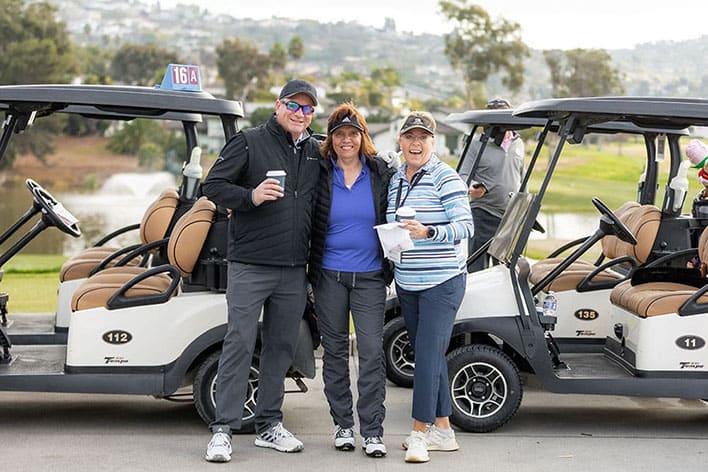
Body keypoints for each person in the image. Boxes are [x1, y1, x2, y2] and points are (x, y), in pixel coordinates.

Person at [201, 79, 322, 463]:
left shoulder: (316, 151)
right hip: (250, 265)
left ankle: (269, 425)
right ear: (277, 105)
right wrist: (250, 197)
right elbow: (213, 186)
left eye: (307, 109)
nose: (299, 114)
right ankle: (223, 430)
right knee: (239, 342)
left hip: (292, 270)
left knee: (280, 349)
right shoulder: (249, 141)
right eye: (293, 105)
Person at [308, 102, 396, 458]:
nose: (347, 140)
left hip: (371, 277)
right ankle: (343, 425)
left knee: (372, 353)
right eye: (340, 134)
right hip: (329, 275)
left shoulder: (379, 172)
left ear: (363, 137)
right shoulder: (318, 172)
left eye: (353, 134)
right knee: (335, 351)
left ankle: (372, 430)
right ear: (331, 139)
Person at [386, 111, 473, 463]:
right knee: (430, 355)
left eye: (423, 137)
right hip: (408, 282)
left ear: (433, 142)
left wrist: (429, 232)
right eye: (410, 137)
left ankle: (419, 434)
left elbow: (465, 226)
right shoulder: (397, 180)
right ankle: (444, 430)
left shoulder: (445, 177)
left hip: (442, 283)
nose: (416, 143)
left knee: (425, 356)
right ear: (401, 141)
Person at [458, 98, 524, 272]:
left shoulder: (519, 144)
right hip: (483, 212)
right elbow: (463, 176)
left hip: (509, 216)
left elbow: (520, 177)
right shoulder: (474, 145)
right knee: (477, 267)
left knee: (504, 269)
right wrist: (472, 188)